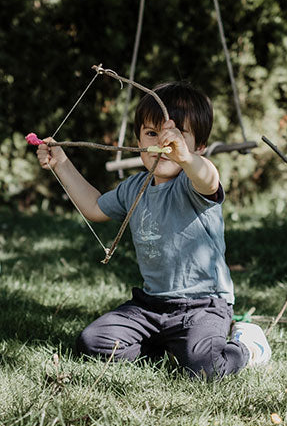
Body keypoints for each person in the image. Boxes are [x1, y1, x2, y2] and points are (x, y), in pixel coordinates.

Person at [35, 82, 271, 378]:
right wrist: (62, 164)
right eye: (151, 133)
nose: (163, 143)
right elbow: (94, 207)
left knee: (205, 368)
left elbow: (209, 178)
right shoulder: (135, 187)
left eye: (177, 136)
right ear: (138, 141)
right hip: (151, 305)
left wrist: (186, 158)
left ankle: (246, 346)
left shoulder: (192, 184)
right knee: (93, 342)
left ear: (198, 146)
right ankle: (170, 346)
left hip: (203, 306)